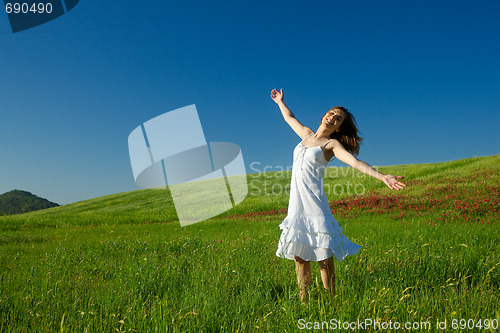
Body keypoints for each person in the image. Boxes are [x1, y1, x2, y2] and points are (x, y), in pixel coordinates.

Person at [270, 88, 406, 302]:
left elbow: (355, 162)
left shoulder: (330, 144)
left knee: (324, 256)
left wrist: (382, 177)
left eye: (338, 118)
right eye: (331, 113)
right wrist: (280, 102)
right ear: (324, 115)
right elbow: (290, 118)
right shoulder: (305, 135)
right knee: (299, 256)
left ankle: (331, 300)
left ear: (339, 127)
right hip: (296, 207)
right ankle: (304, 301)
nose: (332, 117)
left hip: (315, 205)